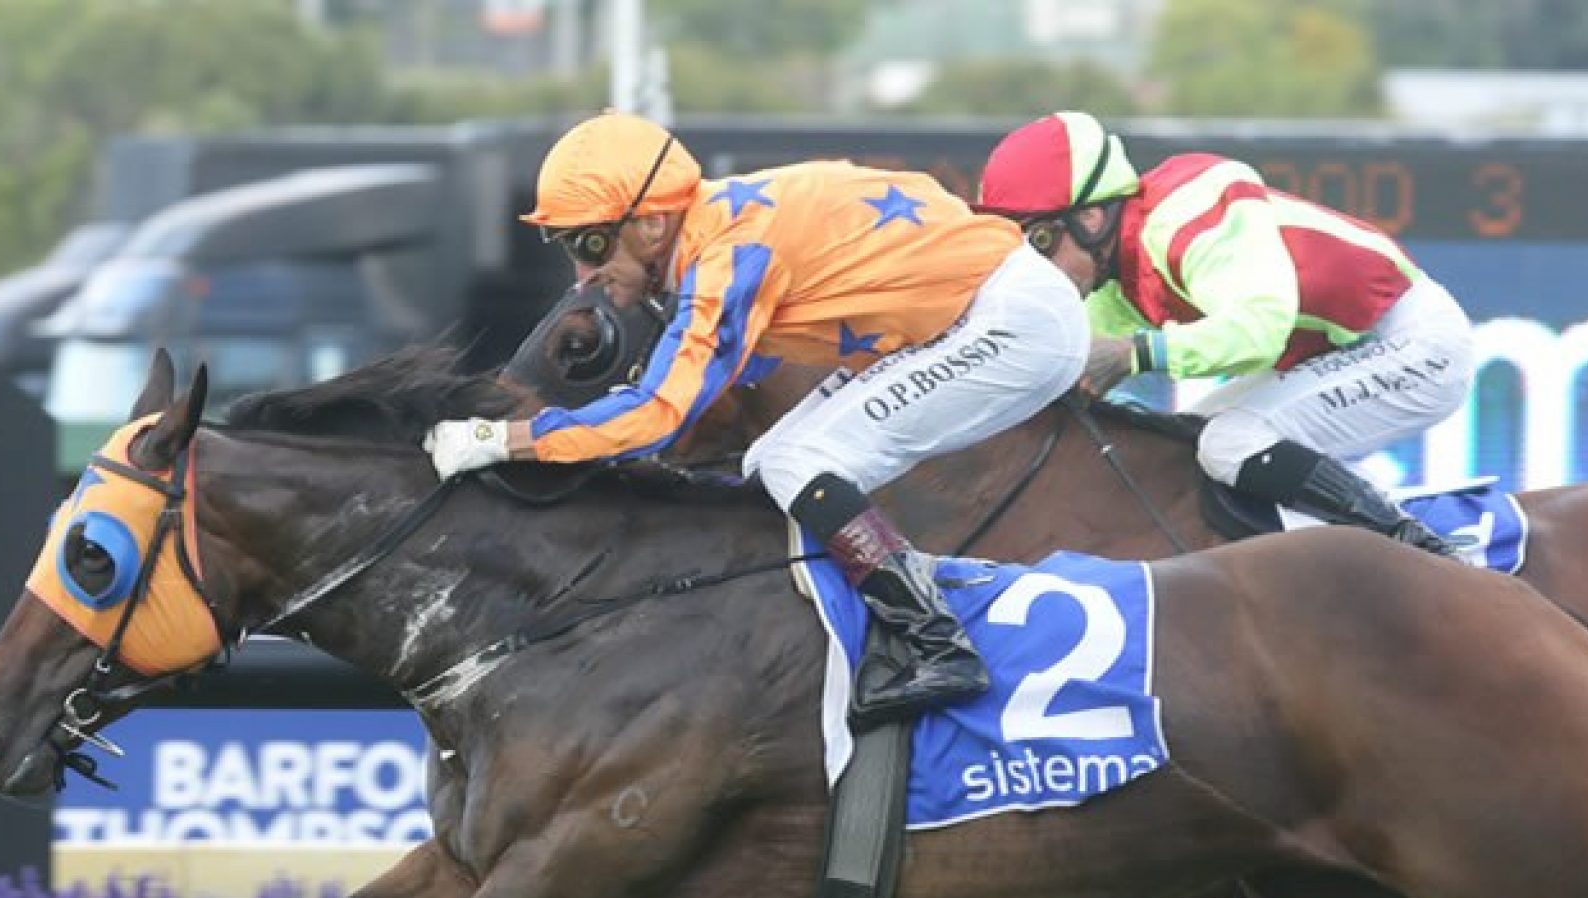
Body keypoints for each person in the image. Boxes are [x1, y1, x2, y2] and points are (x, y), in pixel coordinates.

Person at [422, 111, 1093, 727]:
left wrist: (501, 438)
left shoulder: (726, 255)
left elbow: (657, 416)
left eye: (593, 243)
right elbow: (730, 374)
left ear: (653, 224)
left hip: (1014, 322)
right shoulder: (715, 233)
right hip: (977, 312)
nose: (583, 274)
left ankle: (936, 643)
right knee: (768, 462)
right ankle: (857, 638)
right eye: (567, 245)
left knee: (800, 463)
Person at [977, 112, 1476, 557]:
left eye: (1041, 242)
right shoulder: (1111, 273)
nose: (1039, 269)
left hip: (1410, 342)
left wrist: (1136, 353)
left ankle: (1426, 557)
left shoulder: (1186, 216)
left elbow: (1258, 331)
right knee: (1180, 448)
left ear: (1090, 217)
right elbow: (1063, 361)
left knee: (1232, 442)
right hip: (1332, 351)